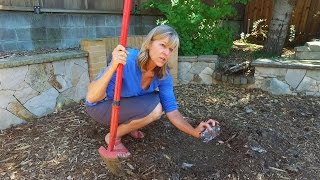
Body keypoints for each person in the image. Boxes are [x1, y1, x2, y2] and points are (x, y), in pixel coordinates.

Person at [85, 25, 219, 158]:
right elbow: (91, 97)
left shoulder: (163, 74)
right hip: (101, 106)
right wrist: (113, 66)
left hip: (121, 103)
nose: (166, 53)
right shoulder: (128, 60)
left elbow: (172, 111)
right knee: (155, 110)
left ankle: (129, 126)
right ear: (149, 43)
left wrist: (194, 131)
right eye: (163, 45)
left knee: (157, 101)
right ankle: (113, 137)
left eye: (171, 49)